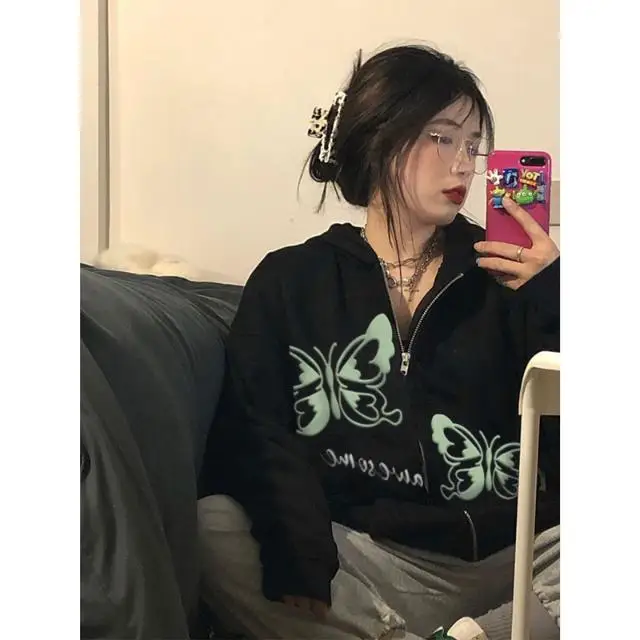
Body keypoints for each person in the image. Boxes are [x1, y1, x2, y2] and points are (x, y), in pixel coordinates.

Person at [198, 44, 560, 640]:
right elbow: (258, 429)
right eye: (443, 137)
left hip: (509, 558)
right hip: (365, 561)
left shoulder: (509, 277)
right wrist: (299, 548)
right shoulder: (293, 279)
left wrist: (557, 292)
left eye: (473, 145)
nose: (465, 165)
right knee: (214, 527)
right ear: (381, 137)